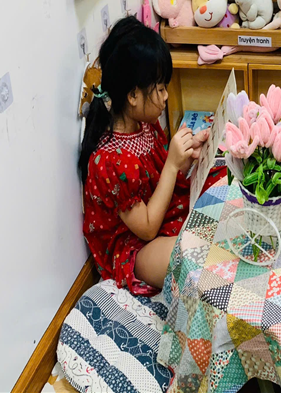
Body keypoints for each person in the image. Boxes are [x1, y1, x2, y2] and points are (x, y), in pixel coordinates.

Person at [78, 17, 224, 296]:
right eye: (159, 88)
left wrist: (188, 156)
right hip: (137, 244)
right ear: (133, 95)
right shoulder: (109, 161)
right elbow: (146, 229)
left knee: (221, 174)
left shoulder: (146, 125)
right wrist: (172, 165)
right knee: (188, 256)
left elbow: (161, 176)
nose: (166, 96)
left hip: (160, 212)